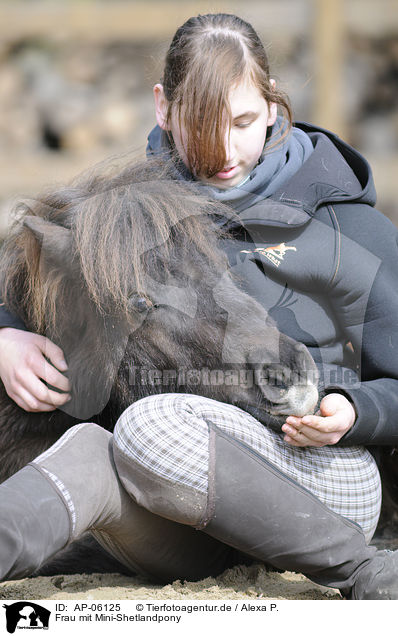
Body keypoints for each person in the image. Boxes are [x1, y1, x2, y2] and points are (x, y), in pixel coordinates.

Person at [0, 13, 398, 599]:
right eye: (200, 122)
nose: (223, 150)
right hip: (179, 497)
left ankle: (359, 567)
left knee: (145, 426)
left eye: (241, 122)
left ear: (271, 106)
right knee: (92, 450)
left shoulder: (349, 229)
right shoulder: (143, 208)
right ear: (163, 108)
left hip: (321, 479)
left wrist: (354, 409)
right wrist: (6, 331)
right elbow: (44, 253)